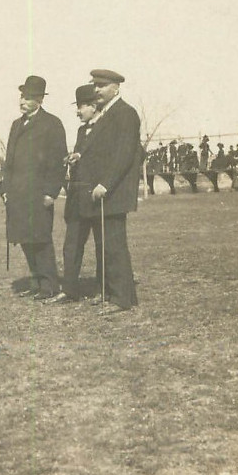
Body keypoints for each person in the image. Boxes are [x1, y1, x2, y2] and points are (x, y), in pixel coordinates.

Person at [74, 69, 142, 314]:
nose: (96, 90)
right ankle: (115, 293)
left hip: (113, 192)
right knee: (106, 245)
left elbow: (124, 154)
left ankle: (122, 299)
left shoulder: (125, 114)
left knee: (114, 245)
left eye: (102, 86)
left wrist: (106, 183)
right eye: (95, 85)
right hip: (102, 192)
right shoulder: (106, 115)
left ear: (116, 87)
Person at [2, 75, 67, 300]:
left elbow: (58, 160)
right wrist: (5, 188)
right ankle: (36, 281)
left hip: (39, 193)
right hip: (18, 194)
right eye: (21, 96)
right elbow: (9, 159)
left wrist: (51, 191)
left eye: (28, 97)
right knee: (24, 238)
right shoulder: (16, 125)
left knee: (40, 239)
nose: (22, 101)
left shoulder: (52, 124)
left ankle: (49, 285)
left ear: (39, 99)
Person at [49, 83, 102, 304]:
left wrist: (84, 159)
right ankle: (69, 290)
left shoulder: (108, 127)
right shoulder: (82, 131)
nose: (78, 111)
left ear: (93, 106)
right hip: (77, 197)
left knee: (103, 246)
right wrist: (74, 157)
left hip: (97, 196)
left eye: (81, 106)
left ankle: (103, 289)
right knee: (71, 246)